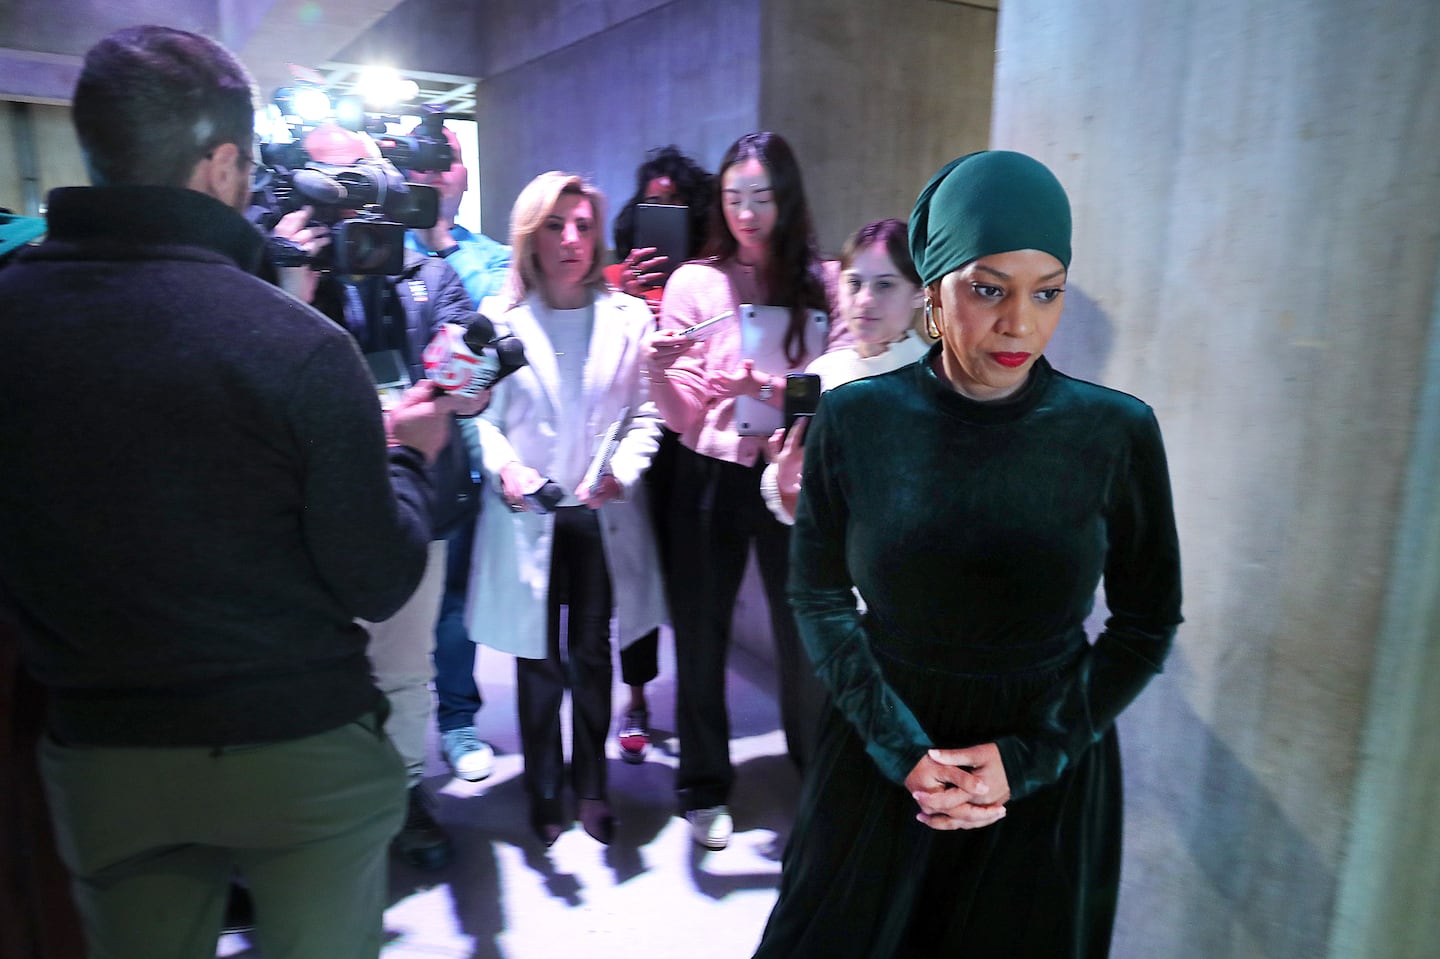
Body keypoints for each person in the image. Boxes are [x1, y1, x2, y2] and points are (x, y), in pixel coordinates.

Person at [0, 25, 455, 958]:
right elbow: (376, 579)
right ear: (216, 165)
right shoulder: (296, 345)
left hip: (103, 751)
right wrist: (407, 455)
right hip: (301, 750)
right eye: (248, 165)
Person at [750, 150, 1183, 958]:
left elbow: (1148, 618)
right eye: (990, 289)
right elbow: (817, 596)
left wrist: (1028, 760)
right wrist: (900, 747)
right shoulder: (856, 420)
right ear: (935, 292)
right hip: (884, 752)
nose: (1020, 322)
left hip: (1044, 771)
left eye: (1046, 291)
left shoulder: (1114, 432)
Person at [284, 121, 487, 871]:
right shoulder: (280, 272)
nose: (345, 204)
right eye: (324, 185)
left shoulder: (429, 274)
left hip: (416, 502)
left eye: (357, 181)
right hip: (307, 510)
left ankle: (404, 796)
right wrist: (289, 285)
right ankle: (330, 803)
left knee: (405, 668)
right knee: (316, 668)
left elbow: (473, 386)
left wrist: (457, 385)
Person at [642, 130, 846, 850]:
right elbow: (686, 415)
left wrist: (764, 386)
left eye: (761, 196)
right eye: (734, 198)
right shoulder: (696, 283)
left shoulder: (824, 282)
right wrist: (661, 370)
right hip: (710, 472)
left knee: (806, 638)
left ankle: (819, 776)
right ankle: (702, 784)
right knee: (700, 634)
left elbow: (843, 390)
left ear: (786, 198)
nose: (747, 212)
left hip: (793, 475)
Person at [463, 171, 666, 846]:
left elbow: (645, 415)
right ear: (531, 235)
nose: (572, 239)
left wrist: (624, 470)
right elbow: (477, 419)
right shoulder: (500, 324)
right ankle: (544, 788)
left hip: (599, 512)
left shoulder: (630, 318)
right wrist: (507, 466)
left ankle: (591, 786)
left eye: (582, 225)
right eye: (555, 225)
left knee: (590, 656)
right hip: (532, 513)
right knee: (536, 659)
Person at [404, 123, 512, 786]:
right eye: (418, 163)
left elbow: (488, 352)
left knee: (451, 604)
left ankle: (457, 718)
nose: (433, 173)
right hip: (381, 448)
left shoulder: (495, 259)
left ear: (464, 171)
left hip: (465, 457)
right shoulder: (374, 247)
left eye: (445, 159)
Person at [602, 145, 716, 764]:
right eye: (652, 206)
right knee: (636, 576)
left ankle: (699, 704)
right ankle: (637, 698)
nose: (662, 216)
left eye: (674, 206)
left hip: (697, 442)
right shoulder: (619, 280)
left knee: (695, 581)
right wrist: (631, 294)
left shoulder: (709, 279)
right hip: (636, 441)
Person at [759, 217, 931, 524]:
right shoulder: (823, 373)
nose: (865, 300)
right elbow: (802, 512)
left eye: (885, 285)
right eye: (854, 283)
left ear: (920, 292)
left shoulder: (937, 380)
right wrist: (788, 484)